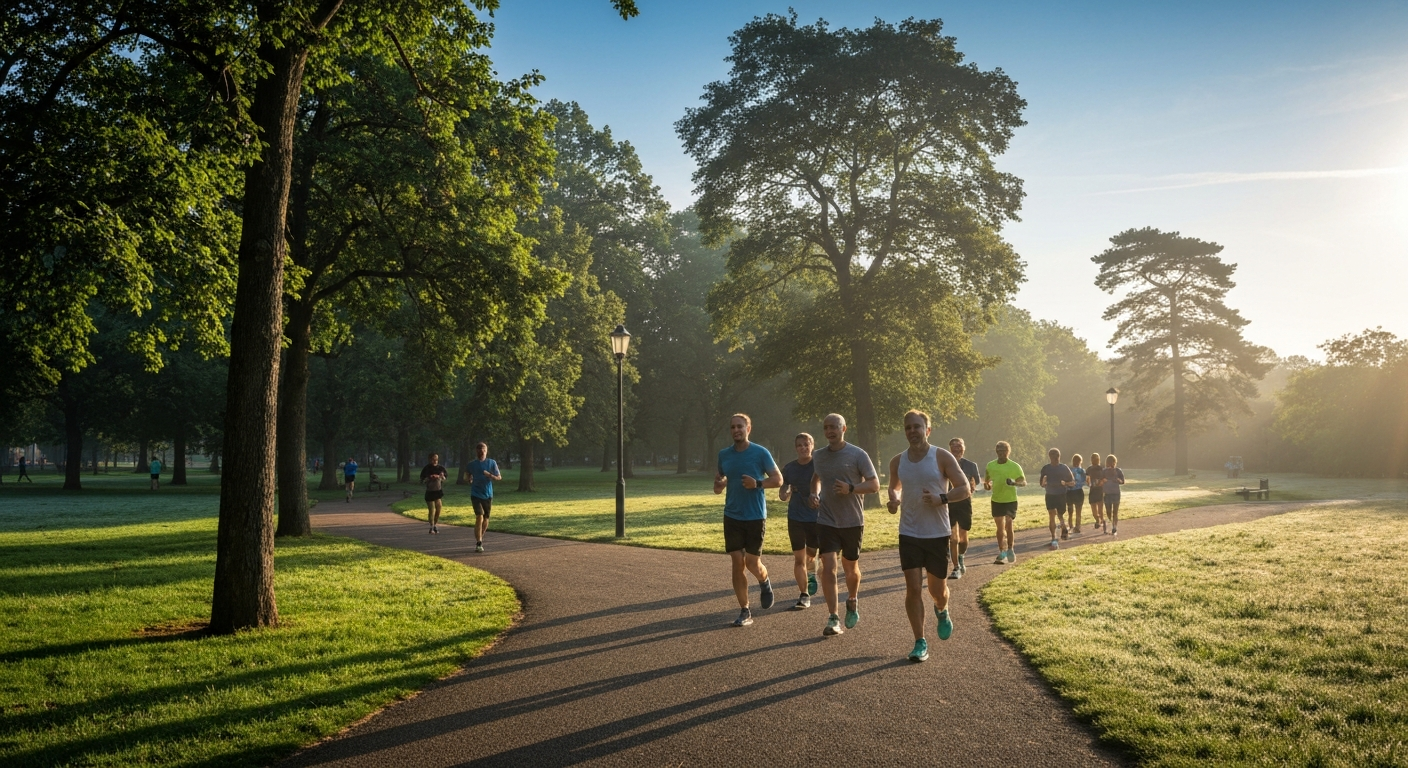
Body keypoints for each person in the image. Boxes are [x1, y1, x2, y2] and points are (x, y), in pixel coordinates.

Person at [887, 411, 972, 662]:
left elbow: (964, 488)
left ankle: (942, 609)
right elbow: (895, 486)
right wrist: (894, 499)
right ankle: (919, 641)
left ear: (928, 430)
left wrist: (941, 498)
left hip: (936, 533)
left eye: (917, 427)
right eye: (908, 427)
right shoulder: (897, 461)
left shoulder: (941, 456)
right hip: (909, 532)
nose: (912, 431)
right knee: (913, 589)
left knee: (937, 589)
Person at [809, 413, 880, 636]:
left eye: (834, 427)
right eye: (826, 427)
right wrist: (814, 493)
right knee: (828, 568)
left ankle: (852, 599)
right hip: (826, 519)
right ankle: (833, 617)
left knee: (850, 568)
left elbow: (875, 485)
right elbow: (816, 478)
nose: (830, 431)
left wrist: (851, 488)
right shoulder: (818, 455)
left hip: (852, 521)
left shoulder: (858, 454)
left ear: (844, 429)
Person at [713, 413, 783, 626]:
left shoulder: (760, 453)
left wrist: (758, 483)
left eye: (740, 426)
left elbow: (778, 480)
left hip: (754, 516)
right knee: (737, 563)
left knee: (752, 563)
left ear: (748, 429)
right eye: (733, 427)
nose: (736, 430)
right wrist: (719, 484)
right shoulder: (724, 455)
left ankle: (764, 581)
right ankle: (745, 610)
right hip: (732, 515)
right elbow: (718, 486)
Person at [778, 432, 820, 609]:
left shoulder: (819, 465)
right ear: (796, 448)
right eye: (800, 445)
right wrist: (785, 492)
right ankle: (804, 595)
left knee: (812, 552)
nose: (803, 448)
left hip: (816, 517)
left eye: (806, 444)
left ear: (812, 445)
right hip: (795, 516)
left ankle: (811, 573)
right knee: (799, 558)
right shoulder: (789, 468)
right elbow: (782, 492)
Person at [984, 441, 1026, 564]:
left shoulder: (1015, 466)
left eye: (1003, 450)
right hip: (997, 499)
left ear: (1008, 451)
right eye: (999, 450)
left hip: (1010, 500)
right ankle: (1002, 551)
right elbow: (987, 482)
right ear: (996, 451)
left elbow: (1023, 482)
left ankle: (1011, 549)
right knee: (999, 527)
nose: (1001, 453)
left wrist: (1013, 482)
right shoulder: (990, 465)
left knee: (1008, 524)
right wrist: (987, 486)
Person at [946, 437, 980, 580]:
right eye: (953, 446)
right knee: (953, 539)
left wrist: (973, 486)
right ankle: (956, 568)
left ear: (963, 448)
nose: (956, 448)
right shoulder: (943, 464)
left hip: (965, 503)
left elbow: (977, 483)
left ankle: (960, 557)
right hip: (948, 503)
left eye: (958, 445)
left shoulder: (971, 465)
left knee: (963, 538)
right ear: (949, 448)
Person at [467, 442, 501, 552]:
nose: (481, 453)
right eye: (479, 451)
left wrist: (490, 475)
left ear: (486, 451)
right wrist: (469, 479)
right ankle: (479, 542)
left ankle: (480, 537)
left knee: (486, 518)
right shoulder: (472, 464)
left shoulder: (492, 463)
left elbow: (499, 477)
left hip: (488, 494)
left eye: (483, 451)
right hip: (475, 494)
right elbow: (467, 474)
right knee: (479, 516)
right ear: (476, 452)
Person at [1039, 448, 1076, 549]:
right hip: (1050, 494)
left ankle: (1063, 527)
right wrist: (1044, 481)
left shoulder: (1064, 468)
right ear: (1050, 457)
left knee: (1060, 515)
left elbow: (1073, 482)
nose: (1055, 459)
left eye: (1057, 457)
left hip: (1061, 494)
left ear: (1059, 456)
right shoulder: (1046, 468)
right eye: (1053, 457)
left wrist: (1065, 483)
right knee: (1051, 514)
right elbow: (1042, 484)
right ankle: (1053, 537)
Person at [420, 453, 449, 535]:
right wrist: (430, 477)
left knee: (439, 508)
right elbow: (422, 480)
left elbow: (444, 478)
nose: (435, 460)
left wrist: (441, 477)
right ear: (429, 459)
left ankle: (435, 524)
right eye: (433, 459)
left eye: (436, 459)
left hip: (438, 491)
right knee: (431, 509)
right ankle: (431, 526)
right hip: (429, 491)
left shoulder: (440, 468)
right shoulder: (426, 468)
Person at [1103, 454, 1126, 535]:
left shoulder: (1118, 471)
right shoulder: (1104, 471)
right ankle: (1109, 523)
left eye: (1113, 463)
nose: (1112, 465)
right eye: (1110, 463)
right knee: (1108, 511)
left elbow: (1123, 481)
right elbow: (1101, 481)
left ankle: (1114, 527)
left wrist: (1118, 480)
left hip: (1116, 493)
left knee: (1115, 511)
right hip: (1107, 493)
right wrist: (1104, 480)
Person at [1068, 454, 1087, 534]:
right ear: (1080, 461)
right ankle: (1077, 526)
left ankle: (1070, 524)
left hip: (1069, 492)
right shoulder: (1082, 471)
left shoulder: (1069, 470)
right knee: (1078, 510)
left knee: (1070, 509)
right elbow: (1084, 481)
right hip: (1078, 491)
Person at [1087, 453, 1105, 532]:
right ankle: (1098, 520)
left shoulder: (1101, 468)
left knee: (1099, 509)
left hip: (1099, 489)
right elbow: (1087, 478)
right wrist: (1089, 483)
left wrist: (1101, 482)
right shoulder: (1089, 469)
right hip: (1093, 489)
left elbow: (1104, 478)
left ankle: (1101, 521)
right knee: (1094, 508)